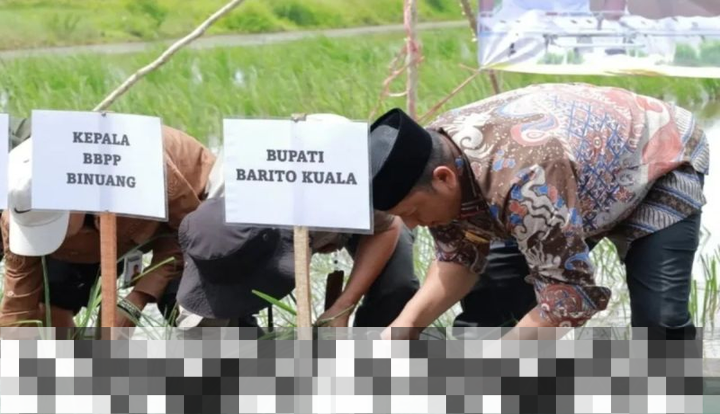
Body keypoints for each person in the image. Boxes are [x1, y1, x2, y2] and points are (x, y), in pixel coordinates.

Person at [368, 83, 709, 341]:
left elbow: (571, 296)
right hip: (575, 177)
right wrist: (401, 330)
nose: (412, 224)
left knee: (659, 324)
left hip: (657, 156)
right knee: (492, 304)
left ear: (444, 179)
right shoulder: (431, 155)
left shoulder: (525, 180)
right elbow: (458, 256)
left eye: (413, 211)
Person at [175, 113, 419, 332]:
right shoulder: (218, 215)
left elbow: (387, 228)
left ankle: (371, 356)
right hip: (277, 229)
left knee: (396, 285)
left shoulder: (342, 183)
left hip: (345, 203)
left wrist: (342, 307)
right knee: (214, 323)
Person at [0, 124, 216, 328]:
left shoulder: (146, 173)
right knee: (54, 301)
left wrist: (136, 300)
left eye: (55, 225)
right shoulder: (18, 204)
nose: (52, 238)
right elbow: (19, 295)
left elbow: (188, 234)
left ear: (78, 198)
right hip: (97, 234)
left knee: (187, 304)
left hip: (189, 213)